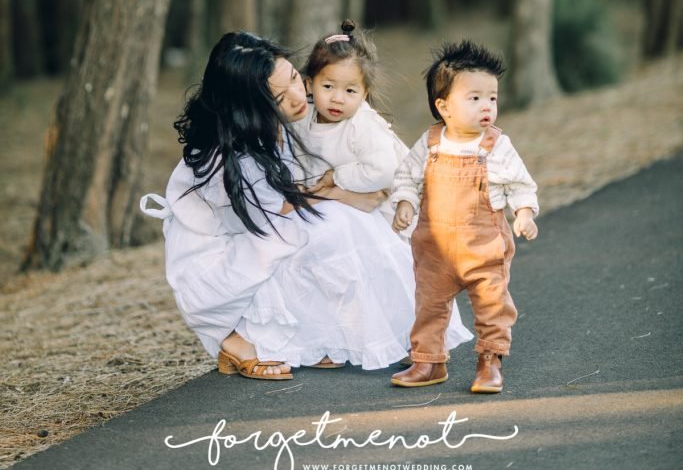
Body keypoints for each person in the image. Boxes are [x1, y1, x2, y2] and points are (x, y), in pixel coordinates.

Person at [140, 31, 472, 381]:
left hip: (268, 230)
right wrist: (345, 195)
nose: (299, 97)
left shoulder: (300, 112)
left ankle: (397, 331)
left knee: (353, 220)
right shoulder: (225, 153)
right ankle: (240, 340)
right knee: (334, 222)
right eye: (280, 96)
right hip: (221, 261)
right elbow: (274, 213)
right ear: (249, 108)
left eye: (295, 79)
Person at [390, 38, 539, 393]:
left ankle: (490, 361)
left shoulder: (496, 145)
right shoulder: (430, 144)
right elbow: (406, 177)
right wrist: (405, 202)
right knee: (429, 307)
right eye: (474, 98)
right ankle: (428, 361)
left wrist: (524, 212)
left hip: (483, 248)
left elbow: (520, 184)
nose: (486, 106)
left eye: (492, 98)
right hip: (434, 249)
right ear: (443, 106)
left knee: (492, 307)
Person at [291, 20, 411, 236]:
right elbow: (301, 155)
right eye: (328, 86)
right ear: (309, 85)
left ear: (364, 94)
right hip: (344, 206)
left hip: (393, 209)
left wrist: (335, 177)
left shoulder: (363, 124)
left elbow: (384, 171)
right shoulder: (303, 117)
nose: (338, 98)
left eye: (350, 91)